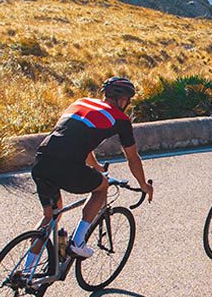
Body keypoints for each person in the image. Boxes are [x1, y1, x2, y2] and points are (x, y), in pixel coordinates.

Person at [27, 77, 154, 268]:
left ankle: (25, 271)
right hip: (68, 166)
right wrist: (144, 185)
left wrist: (96, 168)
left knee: (51, 216)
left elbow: (75, 139)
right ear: (122, 101)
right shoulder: (121, 119)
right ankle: (77, 242)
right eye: (128, 101)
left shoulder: (80, 102)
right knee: (102, 186)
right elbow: (133, 158)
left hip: (42, 161)